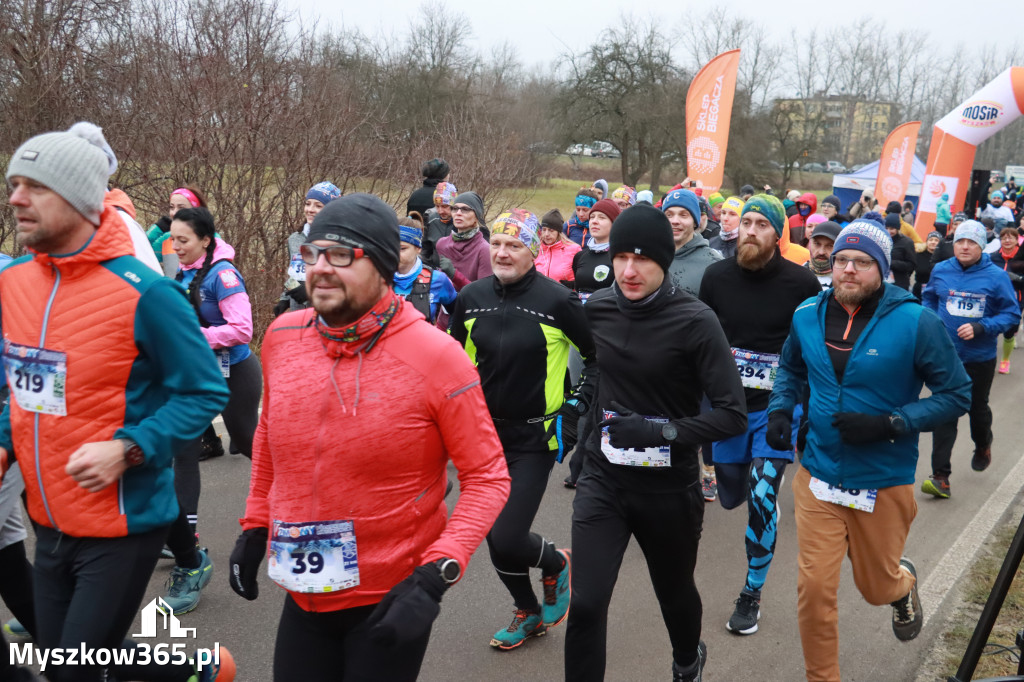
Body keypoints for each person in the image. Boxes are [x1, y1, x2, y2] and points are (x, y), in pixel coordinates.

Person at [229, 193, 510, 681]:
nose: (320, 268)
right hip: (304, 591)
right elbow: (270, 435)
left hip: (390, 600)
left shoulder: (437, 357)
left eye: (341, 256)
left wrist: (436, 575)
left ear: (382, 268)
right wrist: (255, 523)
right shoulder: (281, 337)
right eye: (312, 254)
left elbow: (487, 477)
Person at [4, 124, 233, 681]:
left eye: (35, 186)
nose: (15, 198)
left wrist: (128, 447)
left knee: (71, 671)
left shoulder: (147, 293)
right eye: (14, 184)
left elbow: (205, 390)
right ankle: (196, 670)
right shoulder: (11, 283)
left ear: (81, 200)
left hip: (123, 525)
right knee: (68, 660)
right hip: (49, 518)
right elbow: (19, 387)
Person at [767, 221, 972, 682]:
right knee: (814, 588)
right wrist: (782, 410)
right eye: (841, 260)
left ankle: (901, 585)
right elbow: (790, 369)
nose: (849, 270)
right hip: (817, 474)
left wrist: (892, 423)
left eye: (861, 262)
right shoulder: (806, 314)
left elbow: (957, 394)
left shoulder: (917, 322)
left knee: (875, 588)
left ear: (881, 270)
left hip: (881, 479)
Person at [565, 204, 747, 682]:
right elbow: (600, 370)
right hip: (604, 481)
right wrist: (581, 431)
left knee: (674, 593)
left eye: (642, 259)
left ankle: (688, 659)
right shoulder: (598, 309)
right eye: (622, 256)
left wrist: (660, 432)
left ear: (664, 261)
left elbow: (732, 415)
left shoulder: (695, 320)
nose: (629, 270)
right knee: (584, 604)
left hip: (668, 489)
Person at [449, 208, 596, 651]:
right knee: (494, 534)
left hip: (535, 438)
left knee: (509, 534)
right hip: (483, 436)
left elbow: (595, 358)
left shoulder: (558, 301)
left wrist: (573, 413)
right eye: (497, 244)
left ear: (533, 251)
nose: (503, 252)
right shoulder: (471, 297)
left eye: (515, 245)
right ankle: (527, 609)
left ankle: (556, 562)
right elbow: (452, 366)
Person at [698, 193, 822, 636]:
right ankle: (750, 502)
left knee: (762, 497)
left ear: (777, 234)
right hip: (727, 409)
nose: (750, 230)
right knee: (733, 491)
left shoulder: (801, 285)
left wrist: (800, 410)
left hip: (776, 410)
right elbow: (701, 341)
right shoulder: (715, 277)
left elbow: (812, 352)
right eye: (746, 222)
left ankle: (751, 592)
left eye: (761, 225)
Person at [921, 220, 1021, 498]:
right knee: (945, 414)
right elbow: (928, 299)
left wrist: (982, 327)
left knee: (977, 410)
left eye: (972, 242)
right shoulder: (941, 270)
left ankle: (983, 444)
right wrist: (931, 321)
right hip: (945, 358)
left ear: (981, 246)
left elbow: (1011, 315)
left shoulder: (996, 276)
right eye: (960, 241)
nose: (965, 246)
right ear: (954, 244)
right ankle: (940, 477)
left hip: (979, 358)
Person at [275, 181, 341, 316]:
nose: (310, 209)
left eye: (318, 206)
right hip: (297, 314)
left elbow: (344, 283)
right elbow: (293, 273)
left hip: (327, 317)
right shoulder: (295, 238)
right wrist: (285, 299)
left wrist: (311, 291)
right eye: (308, 203)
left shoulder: (339, 241)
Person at [393, 213, 457, 325]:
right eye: (391, 247)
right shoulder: (379, 278)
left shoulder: (437, 279)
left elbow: (457, 312)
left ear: (418, 248)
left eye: (402, 248)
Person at [663, 188, 722, 296]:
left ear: (695, 221)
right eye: (669, 215)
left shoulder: (713, 263)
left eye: (683, 215)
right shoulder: (652, 256)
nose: (675, 221)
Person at [571, 198, 621, 303]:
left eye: (602, 218)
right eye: (592, 217)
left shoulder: (620, 257)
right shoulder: (580, 256)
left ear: (614, 223)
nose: (594, 221)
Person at [988, 227, 1024, 373]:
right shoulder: (992, 257)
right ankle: (988, 359)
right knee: (990, 329)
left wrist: (1017, 278)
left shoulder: (1020, 259)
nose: (1007, 241)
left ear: (1017, 240)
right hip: (994, 299)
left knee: (1009, 333)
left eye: (1011, 238)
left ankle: (1005, 360)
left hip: (1016, 300)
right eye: (1004, 238)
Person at [436, 191, 492, 282]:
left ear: (477, 217)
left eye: (465, 209)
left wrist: (455, 275)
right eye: (455, 208)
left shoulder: (485, 250)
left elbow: (483, 294)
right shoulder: (442, 244)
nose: (458, 213)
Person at [147, 185, 208, 266]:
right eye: (172, 207)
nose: (174, 213)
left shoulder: (210, 237)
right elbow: (140, 252)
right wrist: (158, 228)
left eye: (181, 208)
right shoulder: (167, 238)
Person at [535, 209, 581, 284]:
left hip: (564, 293)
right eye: (544, 230)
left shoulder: (574, 249)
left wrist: (573, 285)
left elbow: (583, 276)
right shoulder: (536, 249)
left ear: (558, 232)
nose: (546, 234)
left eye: (551, 230)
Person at [422, 180, 457, 267]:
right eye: (437, 206)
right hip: (434, 271)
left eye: (445, 206)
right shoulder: (430, 218)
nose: (440, 211)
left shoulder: (461, 221)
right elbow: (425, 248)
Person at [806, 220, 842, 290]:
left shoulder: (845, 279)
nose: (821, 252)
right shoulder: (799, 273)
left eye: (830, 246)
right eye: (817, 244)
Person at [885, 213, 917, 291]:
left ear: (897, 228)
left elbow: (911, 265)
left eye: (892, 228)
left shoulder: (907, 242)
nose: (889, 231)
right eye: (886, 228)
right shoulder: (882, 239)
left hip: (899, 285)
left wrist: (892, 263)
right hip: (883, 283)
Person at [913, 231, 942, 300]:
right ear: (927, 242)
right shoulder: (919, 255)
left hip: (937, 289)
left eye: (936, 240)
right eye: (930, 240)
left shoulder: (943, 257)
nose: (933, 242)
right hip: (919, 290)